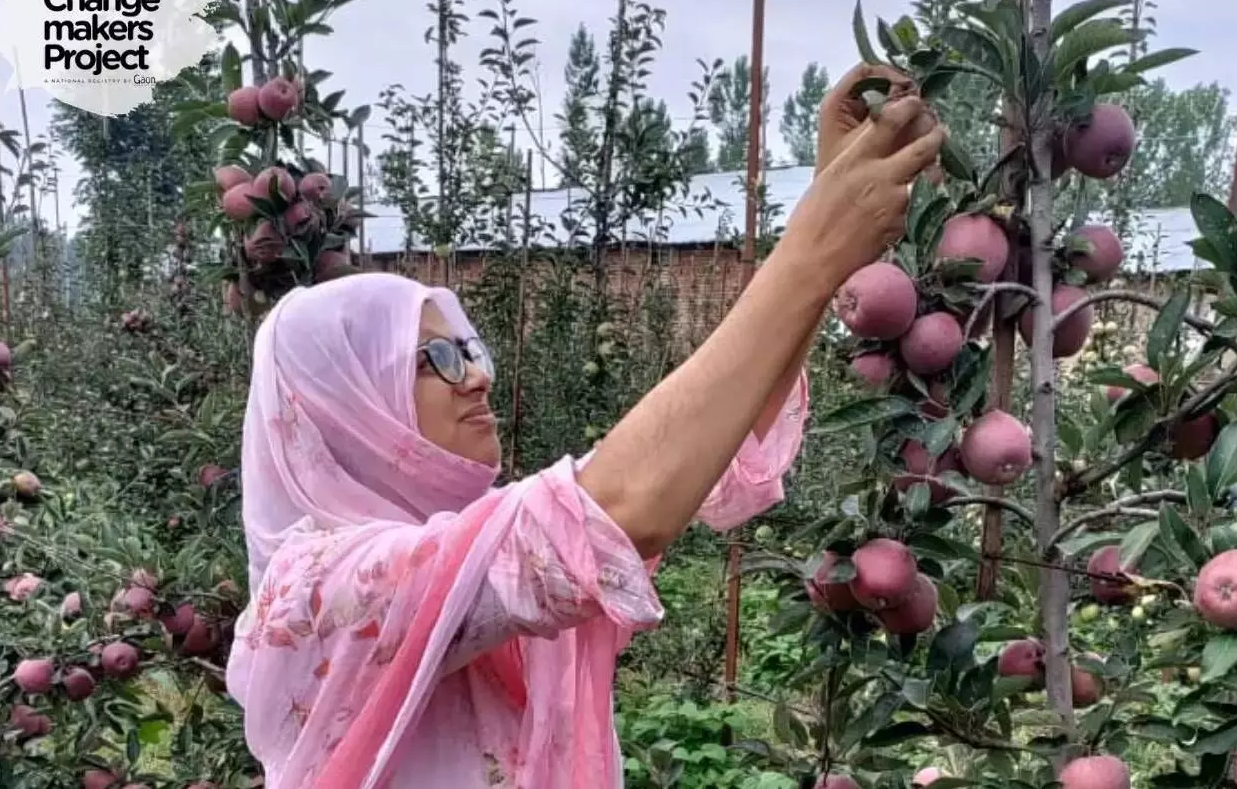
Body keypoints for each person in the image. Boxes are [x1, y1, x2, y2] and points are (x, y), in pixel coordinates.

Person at [225, 63, 944, 789]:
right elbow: (623, 509)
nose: (476, 374)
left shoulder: (469, 542)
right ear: (343, 405)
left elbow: (688, 461)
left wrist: (822, 239)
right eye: (433, 358)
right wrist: (813, 248)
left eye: (470, 348)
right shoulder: (312, 591)